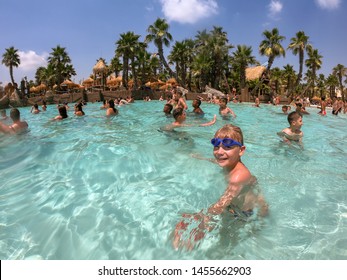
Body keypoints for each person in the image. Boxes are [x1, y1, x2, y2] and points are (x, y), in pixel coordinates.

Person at [173, 124, 268, 250]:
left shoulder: (238, 175)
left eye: (227, 147)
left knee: (227, 245)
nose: (219, 152)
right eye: (216, 146)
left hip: (248, 215)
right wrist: (201, 158)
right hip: (235, 206)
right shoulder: (227, 164)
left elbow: (221, 204)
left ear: (241, 150)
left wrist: (199, 219)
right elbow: (215, 161)